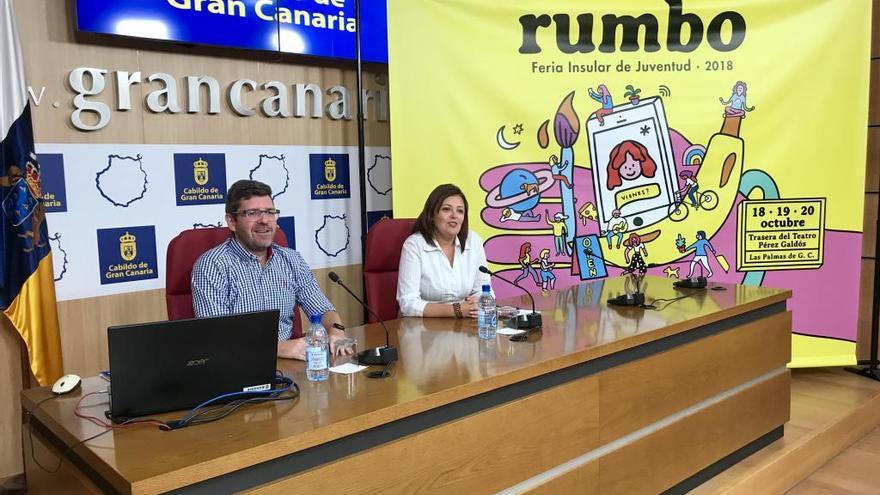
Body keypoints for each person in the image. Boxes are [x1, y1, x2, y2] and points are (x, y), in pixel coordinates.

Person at [191, 179, 348, 361]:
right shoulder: (211, 266)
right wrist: (280, 348)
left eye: (269, 212)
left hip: (291, 366)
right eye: (253, 213)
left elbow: (322, 310)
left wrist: (335, 329)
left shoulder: (291, 259)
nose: (264, 220)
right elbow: (216, 337)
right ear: (232, 221)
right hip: (238, 366)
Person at [397, 184, 491, 318]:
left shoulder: (474, 241)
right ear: (431, 215)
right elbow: (408, 303)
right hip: (423, 329)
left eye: (460, 211)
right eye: (446, 209)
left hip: (464, 325)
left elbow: (484, 290)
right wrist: (456, 310)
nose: (454, 216)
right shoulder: (414, 245)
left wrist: (479, 300)